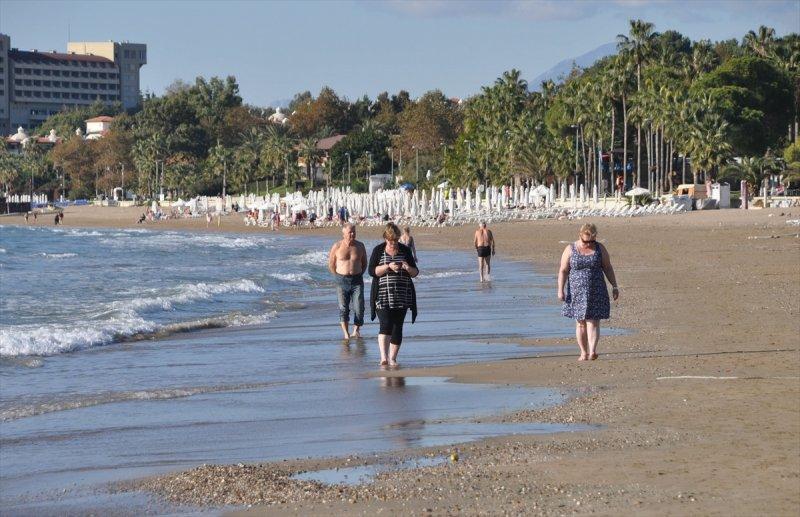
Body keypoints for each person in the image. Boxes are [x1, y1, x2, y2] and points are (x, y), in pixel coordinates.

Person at [557, 223, 619, 361]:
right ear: (580, 236)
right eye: (586, 241)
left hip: (596, 290)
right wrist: (560, 290)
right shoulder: (570, 249)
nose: (588, 244)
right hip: (576, 291)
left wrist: (614, 286)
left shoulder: (599, 248)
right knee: (580, 322)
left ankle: (592, 351)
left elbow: (608, 268)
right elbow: (563, 270)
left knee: (594, 321)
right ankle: (583, 352)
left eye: (592, 241)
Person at [369, 222, 419, 367]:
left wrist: (408, 267)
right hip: (382, 295)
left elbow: (415, 272)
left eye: (396, 241)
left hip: (402, 296)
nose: (393, 244)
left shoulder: (404, 250)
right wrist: (388, 266)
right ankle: (383, 358)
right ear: (386, 239)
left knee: (398, 326)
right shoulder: (378, 250)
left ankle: (393, 358)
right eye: (391, 242)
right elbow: (372, 271)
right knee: (385, 324)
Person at [328, 222, 368, 339]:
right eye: (350, 232)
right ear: (344, 233)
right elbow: (331, 264)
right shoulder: (337, 246)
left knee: (359, 307)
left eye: (354, 231)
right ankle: (346, 333)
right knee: (343, 308)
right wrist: (338, 276)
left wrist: (359, 273)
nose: (352, 234)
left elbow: (364, 263)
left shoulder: (360, 246)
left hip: (357, 280)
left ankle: (356, 330)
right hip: (341, 280)